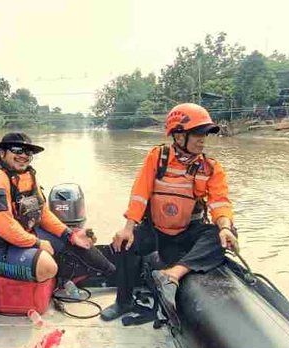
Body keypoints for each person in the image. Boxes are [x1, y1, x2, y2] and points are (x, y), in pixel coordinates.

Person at [101, 103, 239, 323]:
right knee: (125, 243)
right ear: (178, 134)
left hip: (187, 231)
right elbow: (140, 193)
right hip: (155, 229)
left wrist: (224, 227)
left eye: (205, 134)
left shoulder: (211, 168)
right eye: (197, 133)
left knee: (223, 235)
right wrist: (128, 228)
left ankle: (173, 274)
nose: (203, 139)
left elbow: (219, 202)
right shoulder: (158, 156)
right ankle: (123, 302)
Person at [0, 132, 113, 292]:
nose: (23, 156)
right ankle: (60, 279)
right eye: (17, 150)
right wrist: (37, 243)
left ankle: (112, 273)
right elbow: (4, 226)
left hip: (21, 236)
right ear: (2, 153)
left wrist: (69, 234)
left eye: (28, 152)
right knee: (47, 266)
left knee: (76, 240)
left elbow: (43, 213)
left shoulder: (28, 176)